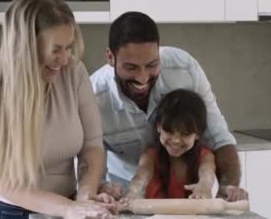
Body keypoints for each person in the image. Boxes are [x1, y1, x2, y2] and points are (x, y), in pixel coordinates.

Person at [0, 0, 115, 219]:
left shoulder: (74, 74)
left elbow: (92, 145)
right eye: (55, 50)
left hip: (67, 212)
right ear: (25, 47)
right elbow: (0, 180)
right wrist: (67, 208)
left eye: (68, 47)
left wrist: (86, 195)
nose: (65, 59)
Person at [90, 11, 247, 201]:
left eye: (151, 65)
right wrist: (101, 189)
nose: (143, 78)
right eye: (131, 67)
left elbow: (219, 138)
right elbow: (91, 163)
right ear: (110, 57)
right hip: (125, 199)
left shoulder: (184, 70)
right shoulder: (94, 97)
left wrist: (227, 189)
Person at [123, 89, 216, 200]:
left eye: (185, 134)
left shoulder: (205, 156)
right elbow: (141, 176)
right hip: (154, 216)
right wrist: (133, 192)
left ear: (198, 134)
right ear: (158, 127)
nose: (176, 140)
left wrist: (204, 186)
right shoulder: (150, 157)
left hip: (192, 216)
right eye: (169, 131)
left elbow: (207, 173)